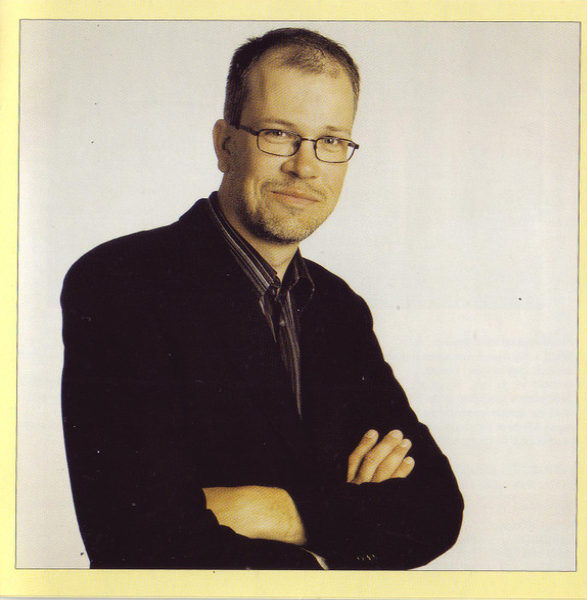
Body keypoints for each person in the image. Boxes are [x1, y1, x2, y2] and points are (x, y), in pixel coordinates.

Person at [61, 27, 463, 570]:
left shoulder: (339, 307)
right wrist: (337, 544)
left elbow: (435, 509)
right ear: (225, 144)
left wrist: (270, 510)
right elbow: (138, 538)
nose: (305, 166)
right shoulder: (122, 281)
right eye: (278, 133)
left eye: (331, 141)